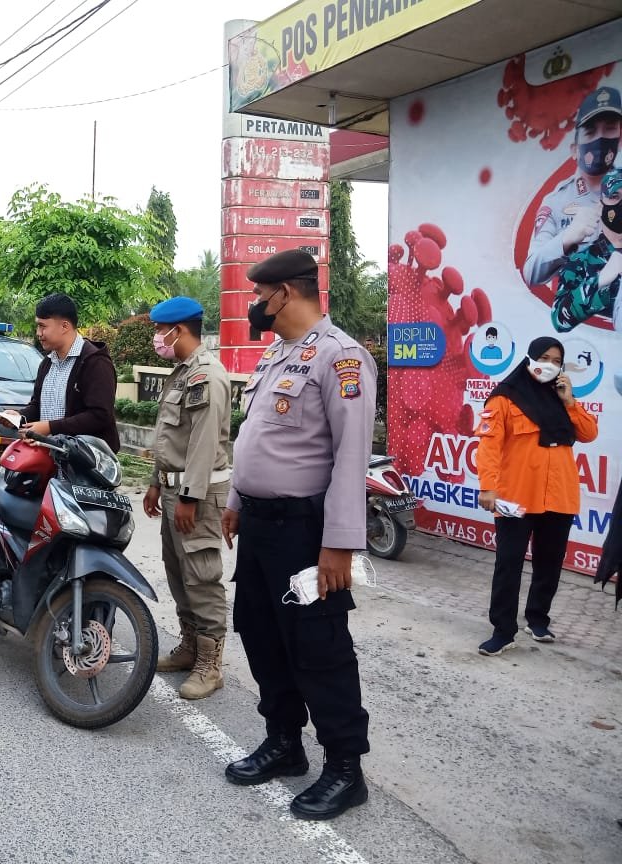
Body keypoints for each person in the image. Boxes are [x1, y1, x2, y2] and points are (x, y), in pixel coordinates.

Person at [219, 249, 375, 821]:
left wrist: (338, 543)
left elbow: (350, 457)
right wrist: (237, 502)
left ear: (286, 292)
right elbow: (255, 439)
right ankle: (285, 742)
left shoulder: (341, 358)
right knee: (259, 631)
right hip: (261, 526)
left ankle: (344, 768)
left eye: (261, 296)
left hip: (305, 534)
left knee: (318, 645)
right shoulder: (278, 356)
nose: (257, 306)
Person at [475, 337, 598, 655]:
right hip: (516, 496)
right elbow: (489, 447)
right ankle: (503, 630)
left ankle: (537, 618)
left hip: (560, 494)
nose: (550, 365)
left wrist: (570, 402)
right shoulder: (504, 398)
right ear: (529, 358)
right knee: (508, 563)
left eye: (557, 361)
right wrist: (488, 487)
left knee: (550, 563)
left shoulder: (561, 399)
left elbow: (588, 434)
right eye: (544, 357)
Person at [142, 297, 232, 700]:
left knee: (201, 575)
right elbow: (169, 438)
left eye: (161, 330)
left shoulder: (206, 376)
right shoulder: (180, 374)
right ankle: (190, 646)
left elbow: (203, 442)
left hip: (199, 492)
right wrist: (155, 483)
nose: (156, 337)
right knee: (179, 572)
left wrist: (190, 498)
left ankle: (210, 665)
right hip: (175, 489)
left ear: (179, 330)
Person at [522, 86, 621, 286]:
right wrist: (567, 238)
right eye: (591, 131)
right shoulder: (557, 201)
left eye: (609, 128)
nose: (600, 139)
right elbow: (531, 272)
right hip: (578, 311)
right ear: (575, 150)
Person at [20, 293, 119, 452]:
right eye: (37, 326)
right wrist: (19, 417)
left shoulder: (95, 362)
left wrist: (50, 427)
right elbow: (38, 405)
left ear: (65, 326)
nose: (38, 333)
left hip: (85, 463)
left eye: (43, 326)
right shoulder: (47, 362)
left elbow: (100, 415)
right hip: (50, 459)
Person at [552, 167, 622, 332]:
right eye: (614, 196)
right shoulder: (582, 261)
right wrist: (601, 280)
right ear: (600, 206)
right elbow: (559, 320)